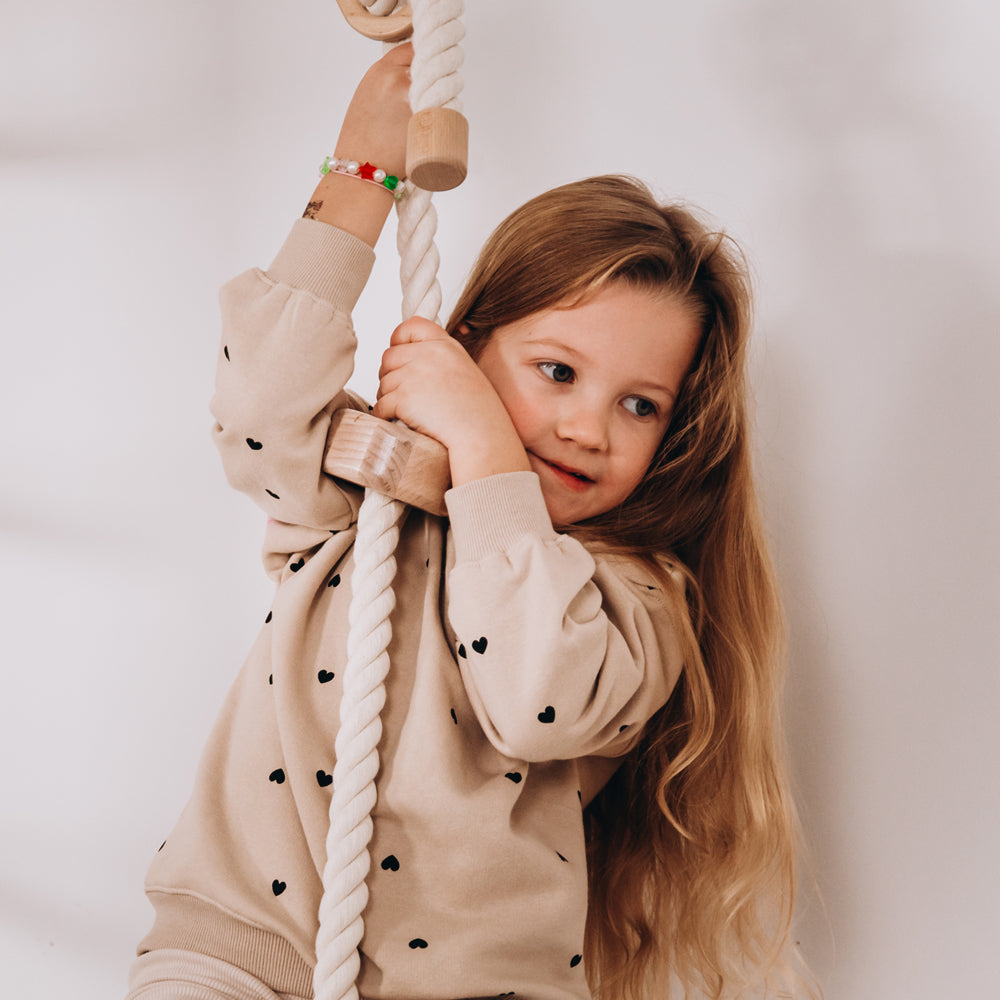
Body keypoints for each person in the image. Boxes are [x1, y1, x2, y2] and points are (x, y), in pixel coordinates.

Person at [127, 43, 806, 1000]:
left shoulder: (639, 599)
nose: (588, 428)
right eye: (558, 372)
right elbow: (258, 415)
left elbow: (540, 700)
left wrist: (490, 453)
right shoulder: (374, 499)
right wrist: (362, 175)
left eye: (640, 404)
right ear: (469, 346)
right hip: (240, 952)